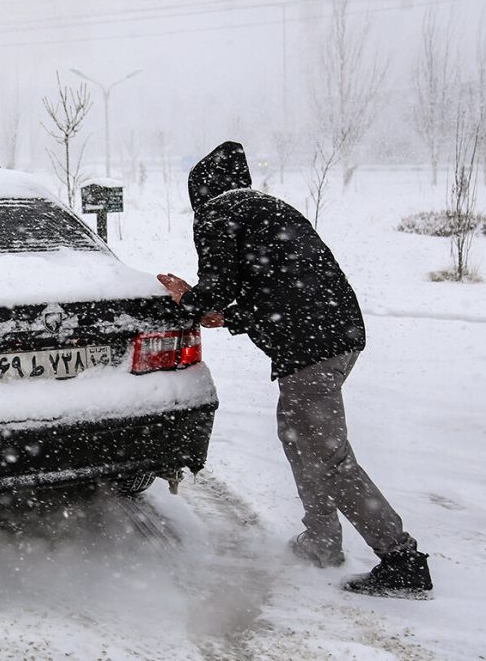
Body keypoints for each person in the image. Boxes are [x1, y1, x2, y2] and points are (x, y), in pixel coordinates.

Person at [157, 141, 433, 598]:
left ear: (200, 191)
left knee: (327, 454)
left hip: (311, 348)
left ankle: (401, 559)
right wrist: (228, 317)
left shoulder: (217, 212)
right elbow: (281, 286)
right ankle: (321, 540)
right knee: (298, 437)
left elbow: (220, 287)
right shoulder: (268, 209)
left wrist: (189, 299)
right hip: (338, 334)